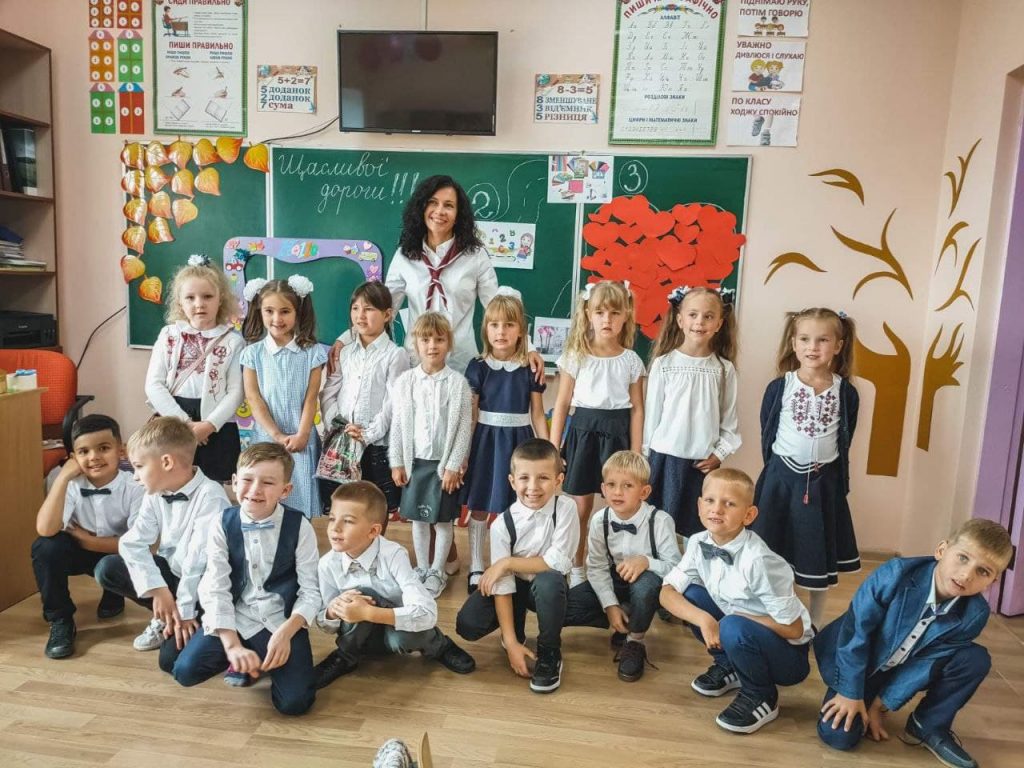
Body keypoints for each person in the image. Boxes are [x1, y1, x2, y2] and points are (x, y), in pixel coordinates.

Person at [815, 519, 1012, 768]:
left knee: (975, 659)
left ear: (992, 582)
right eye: (963, 558)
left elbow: (928, 662)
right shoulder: (895, 574)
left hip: (901, 667)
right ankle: (855, 692)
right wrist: (849, 692)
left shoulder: (975, 613)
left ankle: (927, 725)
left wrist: (881, 705)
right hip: (857, 661)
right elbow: (856, 631)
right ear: (941, 550)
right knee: (839, 736)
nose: (967, 575)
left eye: (983, 572)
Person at [328, 175, 545, 376]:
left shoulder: (475, 256)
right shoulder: (405, 255)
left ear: (458, 215)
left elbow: (498, 308)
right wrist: (346, 339)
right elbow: (382, 308)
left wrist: (529, 347)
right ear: (422, 208)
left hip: (461, 363)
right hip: (416, 362)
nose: (439, 211)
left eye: (449, 205)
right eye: (433, 203)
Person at [171, 443, 321, 716]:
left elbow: (311, 591)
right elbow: (216, 586)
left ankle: (261, 657)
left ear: (285, 490)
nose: (255, 490)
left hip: (278, 619)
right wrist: (231, 645)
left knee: (295, 703)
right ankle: (241, 658)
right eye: (248, 480)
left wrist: (286, 633)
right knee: (184, 671)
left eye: (268, 482)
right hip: (236, 616)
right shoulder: (221, 523)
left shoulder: (301, 526)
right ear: (235, 481)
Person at [660, 468, 813, 734]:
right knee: (692, 595)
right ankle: (730, 665)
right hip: (739, 631)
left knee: (731, 624)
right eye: (710, 500)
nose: (717, 509)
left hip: (788, 656)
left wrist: (734, 620)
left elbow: (794, 629)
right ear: (699, 505)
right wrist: (704, 620)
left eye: (729, 503)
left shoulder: (758, 560)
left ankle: (761, 695)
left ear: (749, 515)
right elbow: (667, 592)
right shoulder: (698, 542)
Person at [751, 307, 860, 628]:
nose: (813, 347)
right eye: (804, 339)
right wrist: (778, 473)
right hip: (781, 481)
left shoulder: (845, 393)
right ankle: (774, 612)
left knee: (815, 552)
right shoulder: (780, 387)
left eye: (823, 340)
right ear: (793, 344)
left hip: (823, 484)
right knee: (772, 551)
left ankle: (814, 620)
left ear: (838, 346)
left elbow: (845, 437)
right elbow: (767, 431)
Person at [95, 416, 230, 671]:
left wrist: (185, 610)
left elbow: (198, 563)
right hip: (173, 577)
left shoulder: (211, 496)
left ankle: (205, 624)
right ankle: (165, 614)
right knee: (107, 568)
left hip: (205, 586)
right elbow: (131, 543)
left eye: (138, 467)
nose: (135, 477)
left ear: (166, 462)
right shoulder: (155, 493)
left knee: (170, 663)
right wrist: (158, 590)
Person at [312, 482, 476, 689]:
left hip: (397, 631)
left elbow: (427, 613)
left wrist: (369, 613)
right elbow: (324, 623)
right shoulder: (327, 564)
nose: (335, 528)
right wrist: (332, 611)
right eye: (332, 518)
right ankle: (346, 656)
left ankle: (438, 645)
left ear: (373, 531)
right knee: (356, 595)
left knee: (390, 623)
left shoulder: (394, 555)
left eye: (348, 521)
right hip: (361, 636)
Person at [455, 439, 580, 694]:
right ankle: (515, 631)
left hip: (548, 589)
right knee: (467, 623)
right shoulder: (502, 525)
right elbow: (502, 584)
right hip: (515, 588)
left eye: (543, 478)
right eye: (524, 478)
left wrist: (507, 562)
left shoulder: (566, 509)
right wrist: (511, 643)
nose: (533, 487)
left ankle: (550, 651)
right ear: (512, 482)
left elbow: (557, 561)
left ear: (558, 480)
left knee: (549, 580)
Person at [549, 280, 644, 587]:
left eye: (615, 313)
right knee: (581, 506)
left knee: (620, 505)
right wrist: (553, 450)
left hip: (617, 437)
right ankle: (577, 568)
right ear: (588, 314)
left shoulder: (631, 360)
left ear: (626, 316)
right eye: (600, 312)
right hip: (582, 435)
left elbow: (637, 409)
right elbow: (561, 405)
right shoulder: (576, 355)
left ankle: (614, 569)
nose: (607, 319)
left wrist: (636, 453)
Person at [31, 414, 146, 659]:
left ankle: (114, 589)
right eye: (84, 452)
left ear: (121, 450)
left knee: (117, 562)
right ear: (74, 457)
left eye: (103, 448)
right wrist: (63, 477)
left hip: (120, 557)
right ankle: (61, 620)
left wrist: (86, 539)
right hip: (83, 553)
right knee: (45, 547)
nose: (93, 457)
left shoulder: (137, 486)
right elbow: (45, 529)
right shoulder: (70, 484)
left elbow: (138, 544)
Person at [563, 451, 680, 682]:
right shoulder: (600, 520)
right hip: (614, 580)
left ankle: (635, 640)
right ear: (603, 489)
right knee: (565, 607)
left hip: (649, 582)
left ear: (644, 492)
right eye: (611, 485)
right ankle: (624, 618)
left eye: (627, 486)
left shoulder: (660, 521)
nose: (617, 492)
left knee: (645, 585)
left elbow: (676, 568)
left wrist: (646, 561)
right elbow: (596, 567)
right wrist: (610, 605)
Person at [463, 290, 549, 593]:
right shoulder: (478, 366)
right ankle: (476, 564)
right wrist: (464, 453)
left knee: (517, 504)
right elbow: (471, 415)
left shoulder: (530, 368)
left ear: (521, 331)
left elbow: (537, 413)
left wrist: (550, 451)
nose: (501, 332)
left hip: (519, 443)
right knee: (480, 504)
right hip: (485, 442)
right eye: (494, 325)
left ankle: (510, 562)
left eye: (509, 325)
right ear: (486, 329)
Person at [644, 286, 740, 537]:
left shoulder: (724, 369)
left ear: (719, 323)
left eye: (708, 316)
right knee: (659, 529)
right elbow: (651, 418)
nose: (700, 322)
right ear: (680, 320)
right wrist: (645, 459)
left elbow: (729, 423)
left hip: (701, 465)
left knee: (696, 531)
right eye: (693, 315)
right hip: (663, 461)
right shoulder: (664, 364)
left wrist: (719, 454)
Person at [389, 311, 472, 597]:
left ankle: (438, 571)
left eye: (439, 340)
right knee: (419, 519)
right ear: (416, 343)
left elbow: (464, 429)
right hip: (415, 464)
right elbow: (398, 425)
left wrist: (453, 465)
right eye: (425, 340)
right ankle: (422, 567)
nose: (432, 346)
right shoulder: (405, 382)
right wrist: (397, 462)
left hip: (443, 466)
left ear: (449, 343)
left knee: (443, 520)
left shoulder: (458, 384)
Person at [144, 254, 245, 483]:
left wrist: (208, 426)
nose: (199, 304)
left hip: (216, 424)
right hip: (173, 417)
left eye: (207, 296)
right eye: (190, 297)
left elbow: (236, 392)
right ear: (180, 302)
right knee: (171, 481)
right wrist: (185, 424)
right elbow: (153, 384)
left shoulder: (233, 341)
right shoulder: (169, 335)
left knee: (214, 483)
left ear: (221, 298)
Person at [319, 281, 409, 521]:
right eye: (355, 308)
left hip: (376, 444)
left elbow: (394, 400)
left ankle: (377, 540)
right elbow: (329, 391)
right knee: (343, 501)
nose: (360, 315)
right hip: (343, 441)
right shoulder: (346, 352)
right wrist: (337, 424)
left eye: (369, 309)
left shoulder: (395, 355)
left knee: (377, 504)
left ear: (387, 315)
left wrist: (369, 433)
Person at [241, 275, 327, 518]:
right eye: (269, 311)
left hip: (301, 439)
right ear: (259, 311)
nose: (277, 319)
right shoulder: (252, 354)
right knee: (266, 497)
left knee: (300, 502)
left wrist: (302, 434)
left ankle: (300, 541)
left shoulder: (312, 353)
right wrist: (276, 435)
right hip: (266, 438)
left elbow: (311, 398)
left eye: (285, 311)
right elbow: (254, 398)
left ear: (298, 312)